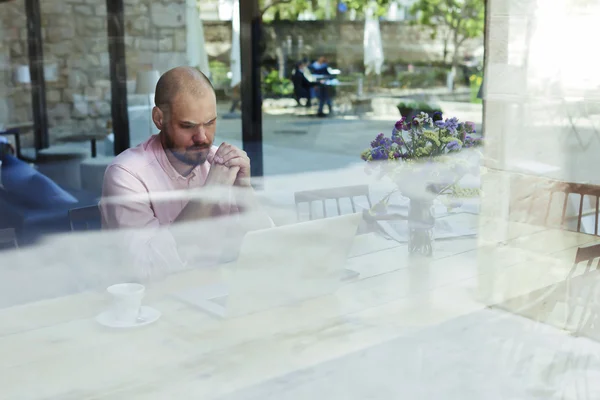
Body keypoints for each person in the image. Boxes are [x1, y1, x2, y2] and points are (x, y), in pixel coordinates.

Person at [100, 66, 272, 276]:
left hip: (215, 291)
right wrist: (210, 192)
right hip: (152, 302)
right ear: (159, 119)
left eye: (210, 123)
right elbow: (145, 269)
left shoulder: (220, 163)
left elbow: (269, 249)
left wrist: (244, 190)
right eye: (187, 126)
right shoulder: (127, 174)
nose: (202, 137)